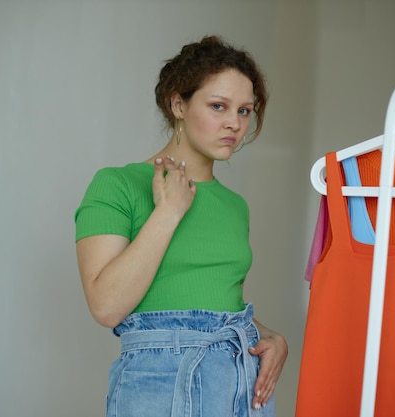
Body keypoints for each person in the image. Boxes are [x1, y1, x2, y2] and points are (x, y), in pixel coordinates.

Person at [74, 35, 288, 417]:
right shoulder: (118, 184)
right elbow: (106, 306)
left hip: (242, 382)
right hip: (164, 382)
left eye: (244, 111)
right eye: (218, 106)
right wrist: (168, 213)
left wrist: (269, 335)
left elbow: (214, 300)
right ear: (178, 104)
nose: (234, 124)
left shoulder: (235, 206)